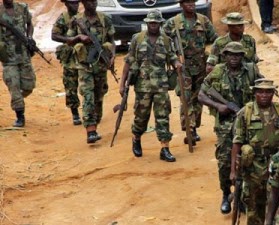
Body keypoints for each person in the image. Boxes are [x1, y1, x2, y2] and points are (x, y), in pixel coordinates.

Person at [198, 42, 262, 214]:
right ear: (224, 55)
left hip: (248, 122)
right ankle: (226, 194)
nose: (234, 58)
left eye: (238, 54)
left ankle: (244, 196)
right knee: (226, 163)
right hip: (226, 124)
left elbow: (263, 89)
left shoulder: (251, 71)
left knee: (250, 158)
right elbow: (201, 95)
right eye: (230, 54)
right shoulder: (217, 72)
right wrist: (218, 106)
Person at [120, 10, 182, 162]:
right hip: (143, 87)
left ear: (160, 24)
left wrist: (177, 64)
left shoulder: (166, 40)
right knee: (141, 117)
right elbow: (129, 61)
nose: (153, 26)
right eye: (151, 23)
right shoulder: (138, 39)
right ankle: (136, 139)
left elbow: (172, 57)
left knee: (163, 117)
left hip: (161, 86)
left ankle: (165, 148)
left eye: (156, 23)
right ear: (147, 23)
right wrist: (122, 84)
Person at [230, 79, 279, 225]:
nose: (264, 95)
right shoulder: (246, 113)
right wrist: (233, 170)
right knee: (254, 205)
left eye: (268, 92)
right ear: (255, 93)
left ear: (273, 93)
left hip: (276, 165)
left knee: (278, 202)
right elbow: (237, 143)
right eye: (260, 91)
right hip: (253, 167)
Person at [163, 0, 218, 145]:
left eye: (193, 2)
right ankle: (190, 129)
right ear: (181, 5)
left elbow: (216, 41)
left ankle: (195, 126)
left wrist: (211, 60)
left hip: (201, 65)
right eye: (187, 2)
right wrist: (174, 60)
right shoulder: (172, 23)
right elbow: (164, 44)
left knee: (198, 98)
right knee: (186, 98)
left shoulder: (203, 20)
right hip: (183, 66)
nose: (191, 5)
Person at [66, 0, 115, 144]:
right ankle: (91, 130)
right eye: (89, 1)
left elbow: (112, 40)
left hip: (100, 65)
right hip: (84, 65)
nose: (92, 4)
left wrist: (111, 57)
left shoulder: (105, 19)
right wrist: (78, 37)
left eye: (94, 1)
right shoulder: (77, 20)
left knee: (99, 96)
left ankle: (95, 121)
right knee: (87, 95)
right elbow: (68, 40)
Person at [0, 0, 36, 127]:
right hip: (8, 57)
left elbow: (29, 24)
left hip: (24, 54)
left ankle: (17, 99)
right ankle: (20, 115)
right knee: (14, 85)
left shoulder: (22, 8)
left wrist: (30, 37)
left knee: (29, 86)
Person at [52, 0, 82, 126]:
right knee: (70, 85)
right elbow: (54, 35)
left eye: (76, 3)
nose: (75, 5)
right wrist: (69, 39)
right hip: (69, 57)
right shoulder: (63, 18)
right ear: (66, 4)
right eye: (72, 3)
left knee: (91, 85)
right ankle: (75, 113)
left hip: (84, 56)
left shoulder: (83, 17)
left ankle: (92, 111)